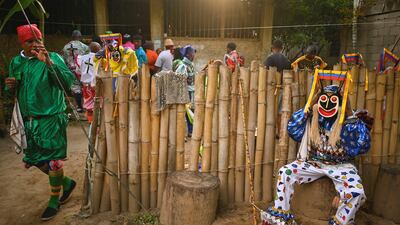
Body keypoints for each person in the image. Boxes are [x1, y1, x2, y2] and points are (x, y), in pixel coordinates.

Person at [261, 71, 372, 225]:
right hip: (313, 163)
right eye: (323, 100)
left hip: (341, 166)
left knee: (356, 192)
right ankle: (281, 218)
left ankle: (341, 221)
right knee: (284, 173)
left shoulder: (349, 121)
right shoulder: (314, 116)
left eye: (333, 100)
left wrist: (349, 114)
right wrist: (310, 104)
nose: (327, 104)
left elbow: (361, 146)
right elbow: (293, 129)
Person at [6, 24, 77, 221]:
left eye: (38, 40)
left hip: (51, 117)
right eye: (30, 41)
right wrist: (9, 87)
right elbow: (12, 92)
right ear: (22, 43)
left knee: (54, 160)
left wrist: (48, 63)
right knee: (34, 159)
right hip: (28, 121)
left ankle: (54, 201)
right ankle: (67, 182)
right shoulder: (15, 62)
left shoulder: (53, 57)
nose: (35, 44)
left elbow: (66, 84)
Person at [62, 30, 90, 113]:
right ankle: (88, 106)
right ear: (80, 37)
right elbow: (88, 59)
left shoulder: (65, 47)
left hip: (70, 70)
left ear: (72, 37)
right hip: (83, 70)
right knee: (85, 87)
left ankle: (79, 106)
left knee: (76, 88)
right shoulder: (85, 47)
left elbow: (64, 60)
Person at [76, 42, 101, 122]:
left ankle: (91, 123)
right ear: (99, 49)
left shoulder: (81, 58)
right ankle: (98, 125)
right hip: (97, 85)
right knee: (99, 106)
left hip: (86, 86)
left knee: (89, 107)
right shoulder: (100, 59)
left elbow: (78, 71)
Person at [175, 45, 196, 137]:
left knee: (189, 112)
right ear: (188, 55)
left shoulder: (190, 65)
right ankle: (185, 132)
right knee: (185, 112)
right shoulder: (183, 66)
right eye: (193, 53)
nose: (194, 55)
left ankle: (189, 131)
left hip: (189, 92)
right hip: (185, 93)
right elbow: (180, 81)